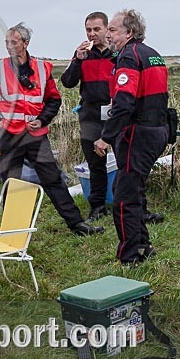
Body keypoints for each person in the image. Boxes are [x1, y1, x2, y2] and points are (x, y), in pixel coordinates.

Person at [0, 22, 103, 236]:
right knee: (11, 183)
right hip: (8, 138)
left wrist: (43, 119)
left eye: (14, 42)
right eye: (6, 42)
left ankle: (77, 225)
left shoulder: (43, 68)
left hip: (36, 137)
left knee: (53, 180)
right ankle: (10, 231)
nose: (8, 46)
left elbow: (54, 100)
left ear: (25, 44)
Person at [93, 10, 169, 264]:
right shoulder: (152, 54)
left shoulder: (129, 56)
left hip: (138, 131)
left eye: (112, 30)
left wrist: (106, 137)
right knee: (132, 189)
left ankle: (130, 254)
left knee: (124, 196)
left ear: (129, 32)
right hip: (158, 129)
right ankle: (143, 245)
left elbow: (124, 103)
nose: (108, 34)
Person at [60, 12, 116, 222]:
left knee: (124, 159)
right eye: (88, 30)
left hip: (116, 113)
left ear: (106, 29)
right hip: (90, 114)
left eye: (96, 29)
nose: (92, 34)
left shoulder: (117, 53)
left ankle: (124, 204)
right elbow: (67, 82)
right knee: (95, 163)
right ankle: (97, 206)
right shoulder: (83, 55)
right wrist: (77, 59)